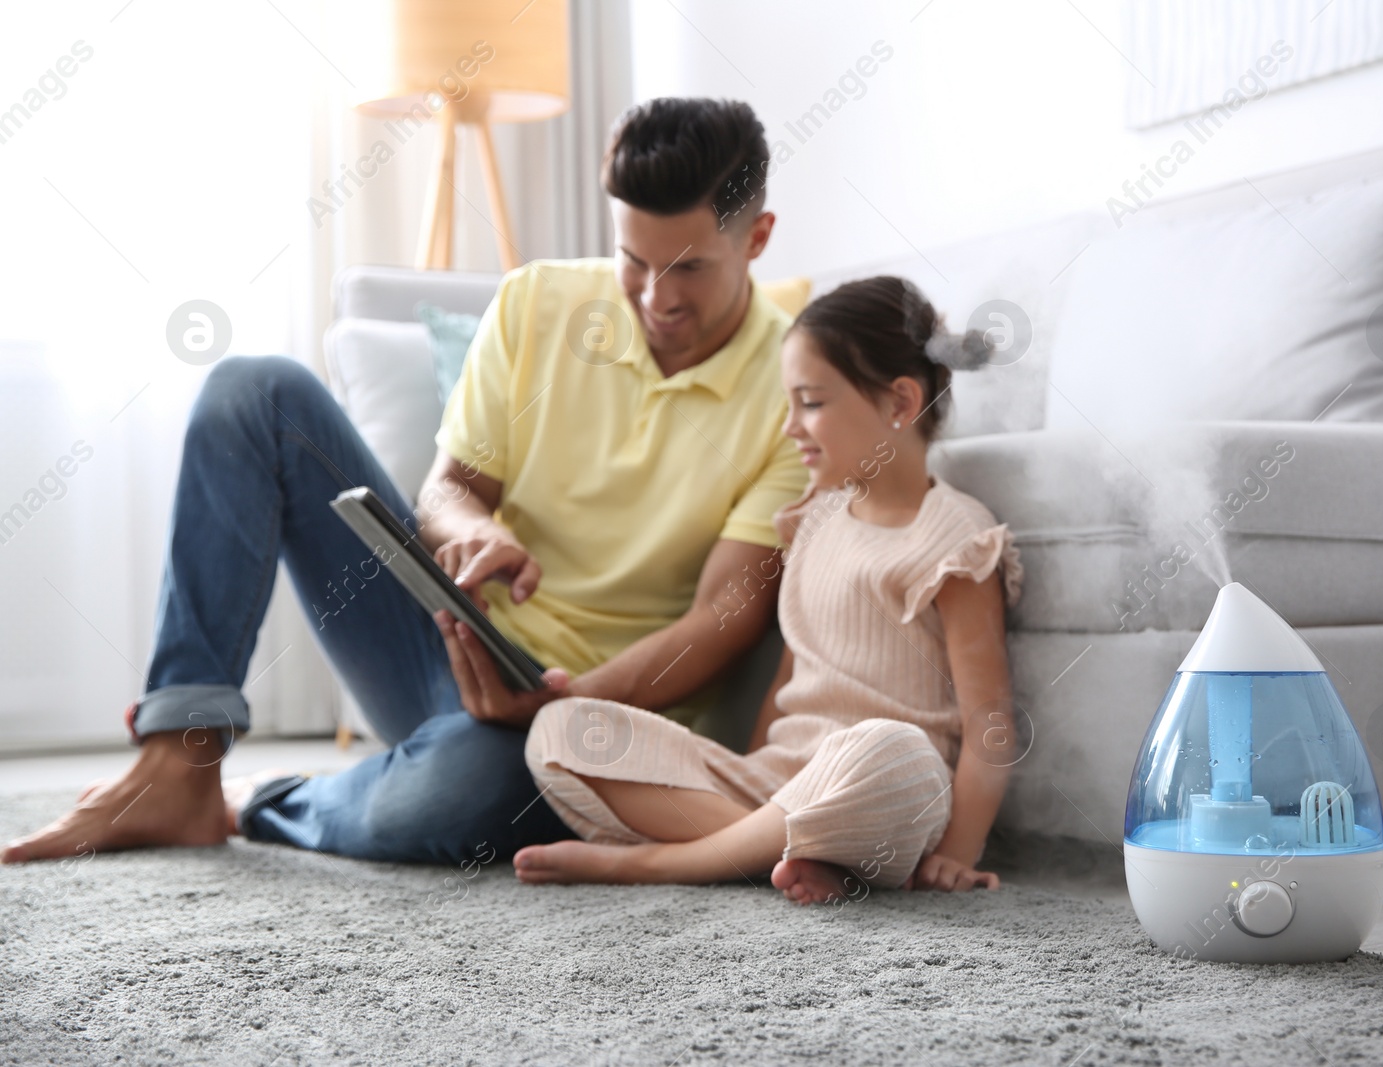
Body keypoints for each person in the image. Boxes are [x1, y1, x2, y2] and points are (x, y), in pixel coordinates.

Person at [2, 97, 808, 868]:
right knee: (254, 392)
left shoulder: (796, 387)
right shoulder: (539, 301)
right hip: (446, 649)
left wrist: (563, 707)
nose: (656, 297)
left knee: (454, 798)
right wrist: (473, 530)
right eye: (634, 260)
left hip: (593, 725)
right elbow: (447, 492)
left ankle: (261, 800)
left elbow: (720, 622)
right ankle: (179, 760)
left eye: (689, 268)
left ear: (759, 235)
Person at [513, 276, 1024, 902]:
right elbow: (789, 679)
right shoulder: (812, 519)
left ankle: (662, 863)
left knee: (893, 749)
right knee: (562, 729)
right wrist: (755, 771)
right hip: (779, 784)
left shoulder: (955, 540)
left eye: (810, 402)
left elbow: (991, 725)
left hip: (883, 789)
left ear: (899, 403)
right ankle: (788, 851)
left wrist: (957, 853)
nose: (790, 428)